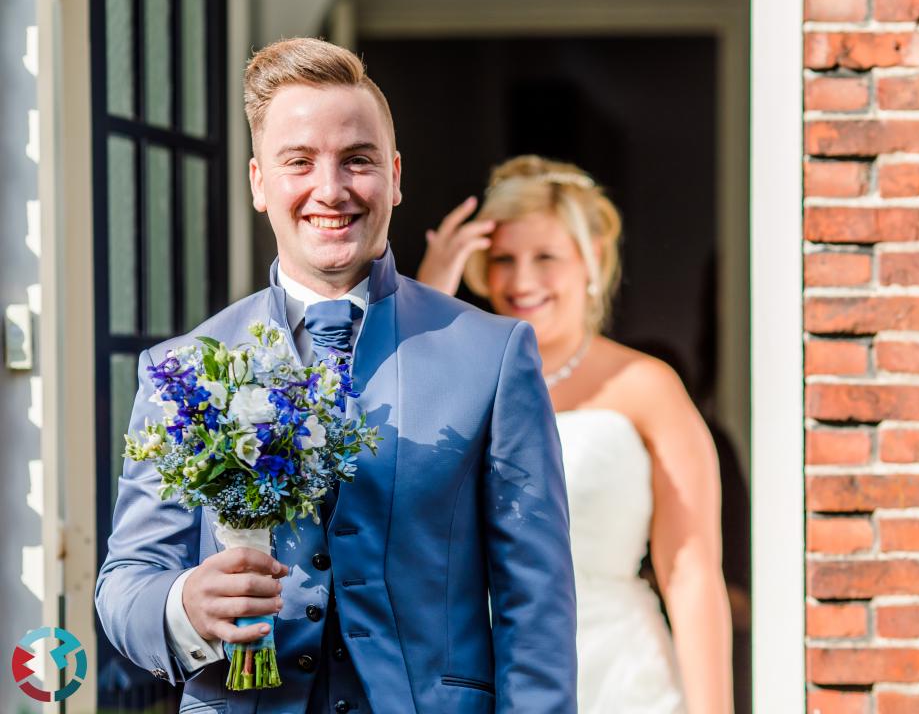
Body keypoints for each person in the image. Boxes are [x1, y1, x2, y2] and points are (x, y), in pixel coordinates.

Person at [95, 39, 577, 714]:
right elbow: (125, 584)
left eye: (358, 161)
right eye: (300, 163)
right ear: (260, 182)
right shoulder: (182, 369)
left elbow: (538, 603)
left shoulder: (493, 355)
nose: (331, 189)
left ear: (396, 175)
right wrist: (183, 606)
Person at [417, 156, 733, 713]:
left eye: (546, 257)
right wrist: (427, 301)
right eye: (503, 259)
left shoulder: (647, 386)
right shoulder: (452, 379)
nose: (521, 280)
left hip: (621, 680)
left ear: (591, 264)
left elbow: (690, 572)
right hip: (486, 681)